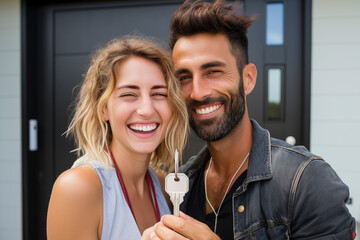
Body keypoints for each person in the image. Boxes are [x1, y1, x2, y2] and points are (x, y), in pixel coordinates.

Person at [148, 0, 357, 239]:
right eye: (184, 77)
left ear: (248, 79)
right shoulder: (183, 187)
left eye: (213, 72)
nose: (197, 92)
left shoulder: (305, 181)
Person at [46, 36, 188, 239]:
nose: (147, 110)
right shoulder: (77, 189)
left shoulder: (165, 186)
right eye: (129, 94)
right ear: (103, 109)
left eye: (159, 94)